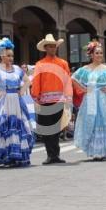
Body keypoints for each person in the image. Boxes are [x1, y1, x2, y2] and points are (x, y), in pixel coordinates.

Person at [0, 38, 35, 167]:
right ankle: (6, 156)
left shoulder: (17, 69)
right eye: (8, 55)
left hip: (16, 101)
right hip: (3, 101)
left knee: (17, 126)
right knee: (4, 126)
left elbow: (28, 81)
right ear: (0, 55)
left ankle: (17, 155)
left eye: (12, 56)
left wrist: (22, 91)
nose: (10, 58)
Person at [71, 42, 106, 161]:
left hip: (104, 98)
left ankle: (103, 151)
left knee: (105, 120)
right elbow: (73, 78)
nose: (99, 55)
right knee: (91, 121)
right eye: (97, 53)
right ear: (91, 55)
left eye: (101, 53)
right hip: (91, 97)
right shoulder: (85, 69)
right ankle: (94, 151)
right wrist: (83, 89)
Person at [30, 34, 72, 165]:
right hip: (44, 100)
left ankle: (56, 154)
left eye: (54, 46)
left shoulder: (63, 63)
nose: (53, 48)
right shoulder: (40, 64)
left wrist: (67, 97)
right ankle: (50, 154)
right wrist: (35, 97)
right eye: (50, 46)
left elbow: (67, 80)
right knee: (47, 129)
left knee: (56, 128)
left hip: (59, 99)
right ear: (46, 48)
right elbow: (37, 81)